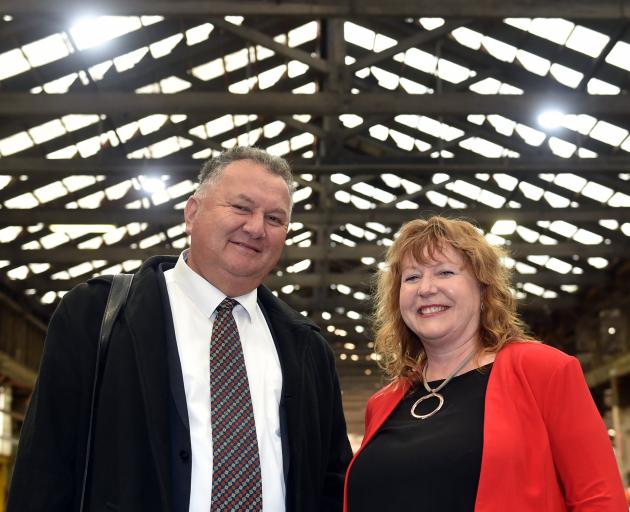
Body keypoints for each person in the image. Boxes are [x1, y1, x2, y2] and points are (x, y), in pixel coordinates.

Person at [8, 146, 352, 512]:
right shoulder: (96, 315)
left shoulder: (307, 349)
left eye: (275, 218)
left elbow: (333, 483)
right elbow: (44, 468)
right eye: (241, 207)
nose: (256, 228)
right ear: (192, 213)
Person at [344, 216, 626, 511]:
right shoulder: (383, 403)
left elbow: (600, 499)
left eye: (444, 272)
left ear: (482, 288)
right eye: (412, 277)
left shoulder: (543, 370)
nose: (425, 288)